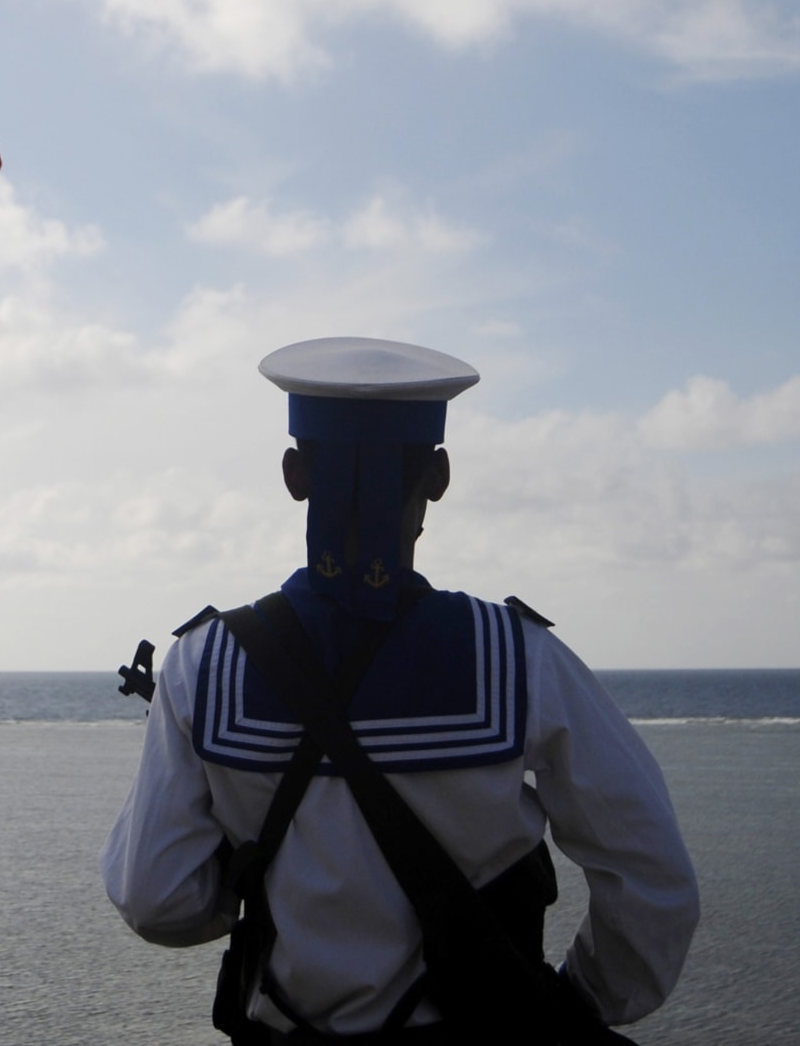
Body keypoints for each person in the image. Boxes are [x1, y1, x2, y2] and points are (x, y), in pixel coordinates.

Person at [102, 337, 699, 1043]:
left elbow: (157, 899)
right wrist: (584, 999)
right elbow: (653, 880)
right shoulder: (520, 657)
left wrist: (250, 866)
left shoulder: (203, 664)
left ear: (294, 474)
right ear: (440, 474)